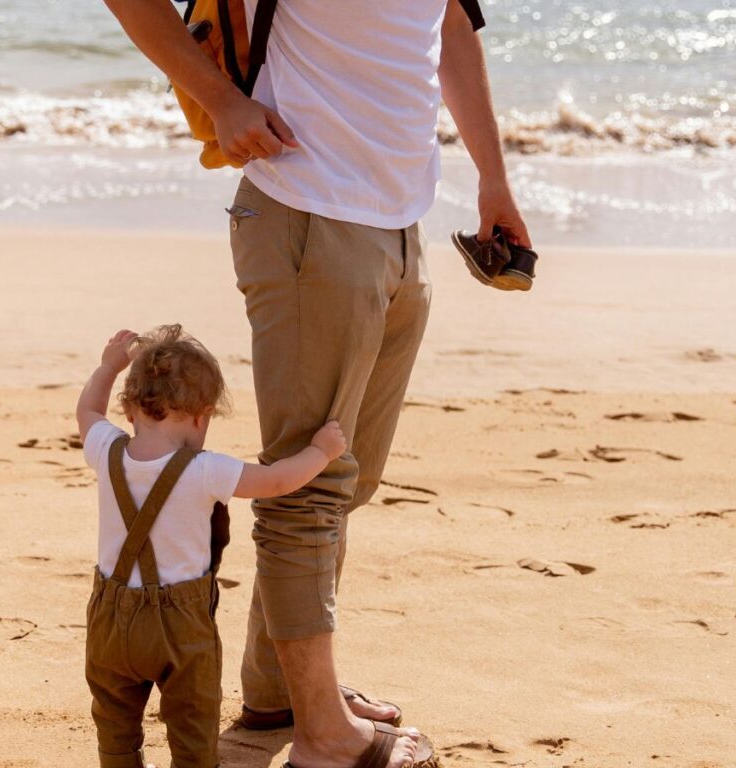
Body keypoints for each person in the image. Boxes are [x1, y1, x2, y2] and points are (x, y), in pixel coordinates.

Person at [104, 2, 533, 766]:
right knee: (305, 490)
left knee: (344, 481)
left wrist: (493, 179)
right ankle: (324, 737)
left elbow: (451, 29)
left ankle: (282, 695)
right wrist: (223, 99)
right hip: (306, 209)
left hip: (402, 219)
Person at [77, 325, 347, 768]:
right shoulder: (205, 470)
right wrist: (321, 451)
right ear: (202, 416)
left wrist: (108, 366)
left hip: (109, 618)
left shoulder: (106, 450)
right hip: (179, 628)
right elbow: (278, 481)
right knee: (192, 716)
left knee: (115, 717)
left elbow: (87, 410)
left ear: (129, 410)